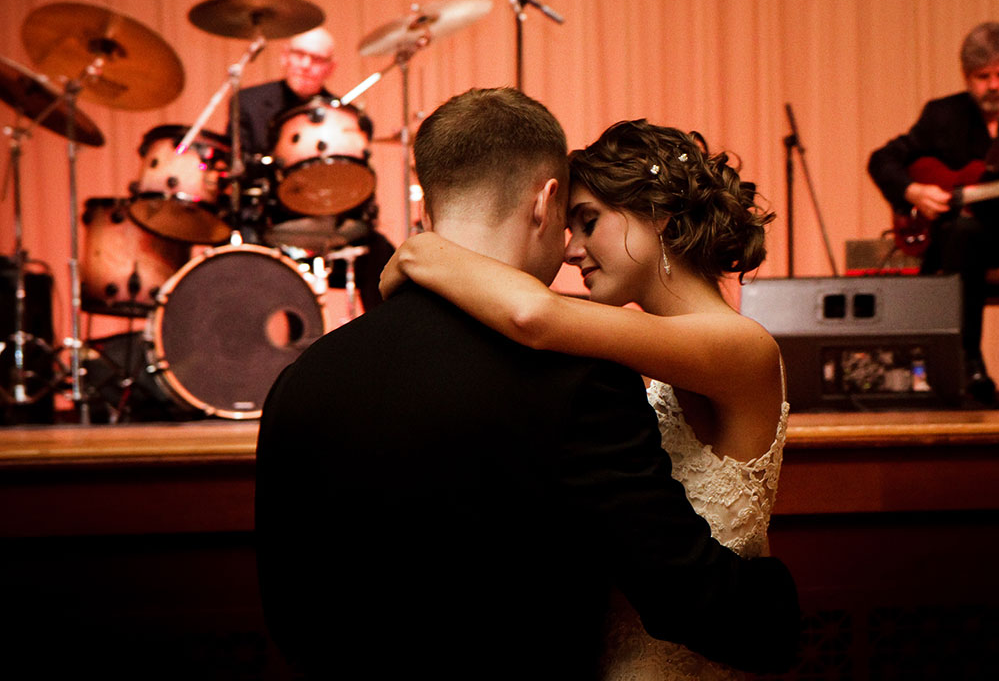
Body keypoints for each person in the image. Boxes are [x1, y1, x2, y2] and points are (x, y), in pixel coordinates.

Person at [255, 88, 801, 679]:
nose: (570, 250)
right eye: (570, 221)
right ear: (545, 202)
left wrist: (420, 252)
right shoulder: (585, 377)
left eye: (588, 223)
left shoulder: (299, 380)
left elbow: (286, 605)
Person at [867, 22, 999, 405]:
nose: (993, 85)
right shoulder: (943, 115)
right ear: (967, 77)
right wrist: (913, 191)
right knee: (962, 232)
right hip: (962, 242)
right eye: (982, 77)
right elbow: (883, 159)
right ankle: (967, 362)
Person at [226, 26, 393, 309]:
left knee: (383, 256)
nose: (305, 65)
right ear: (285, 56)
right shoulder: (249, 103)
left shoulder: (342, 116)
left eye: (316, 59)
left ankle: (387, 333)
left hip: (331, 218)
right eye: (299, 54)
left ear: (331, 68)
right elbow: (239, 171)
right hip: (270, 219)